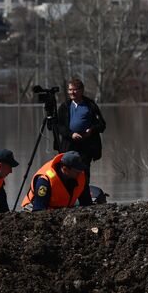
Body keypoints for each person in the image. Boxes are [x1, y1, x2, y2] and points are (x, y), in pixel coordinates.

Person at [52, 78, 106, 207]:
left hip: (86, 147)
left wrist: (91, 130)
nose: (72, 92)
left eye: (75, 90)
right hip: (69, 146)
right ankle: (67, 199)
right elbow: (58, 126)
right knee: (66, 172)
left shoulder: (90, 105)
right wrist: (71, 134)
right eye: (70, 90)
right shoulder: (65, 106)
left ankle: (85, 202)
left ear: (81, 90)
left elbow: (102, 124)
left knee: (83, 174)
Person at [23, 151, 89, 210]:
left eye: (81, 170)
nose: (81, 173)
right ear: (65, 169)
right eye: (77, 171)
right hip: (36, 208)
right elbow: (39, 210)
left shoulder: (80, 176)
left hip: (62, 208)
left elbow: (87, 203)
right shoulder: (45, 181)